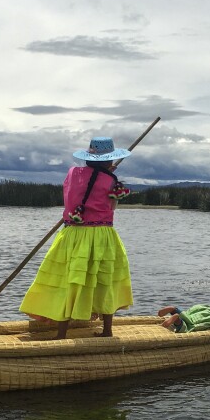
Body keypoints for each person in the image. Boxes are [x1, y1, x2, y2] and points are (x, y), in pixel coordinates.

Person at [20, 136, 133, 339]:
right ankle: (107, 330)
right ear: (110, 160)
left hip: (73, 233)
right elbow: (111, 207)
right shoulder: (111, 181)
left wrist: (103, 174)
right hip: (101, 235)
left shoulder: (72, 173)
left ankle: (61, 333)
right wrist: (108, 176)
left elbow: (75, 191)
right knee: (104, 280)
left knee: (67, 280)